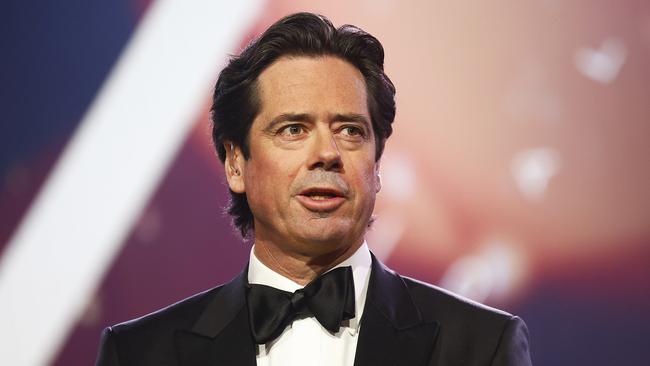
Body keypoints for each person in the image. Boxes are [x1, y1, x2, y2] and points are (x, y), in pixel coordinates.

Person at [95, 12, 532, 366]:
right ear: (235, 163)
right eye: (293, 129)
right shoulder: (142, 354)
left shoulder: (480, 347)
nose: (327, 152)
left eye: (350, 130)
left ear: (377, 164)